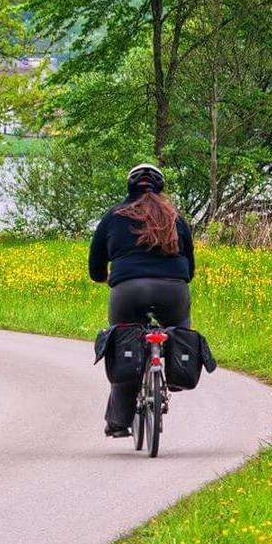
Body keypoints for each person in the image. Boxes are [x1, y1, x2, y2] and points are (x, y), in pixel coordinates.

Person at [89, 163, 196, 437]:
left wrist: (107, 278)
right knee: (180, 327)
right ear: (161, 187)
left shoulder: (113, 216)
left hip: (128, 290)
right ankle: (174, 373)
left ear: (129, 186)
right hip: (172, 290)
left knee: (124, 341)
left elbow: (96, 267)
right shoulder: (176, 218)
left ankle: (118, 422)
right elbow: (190, 269)